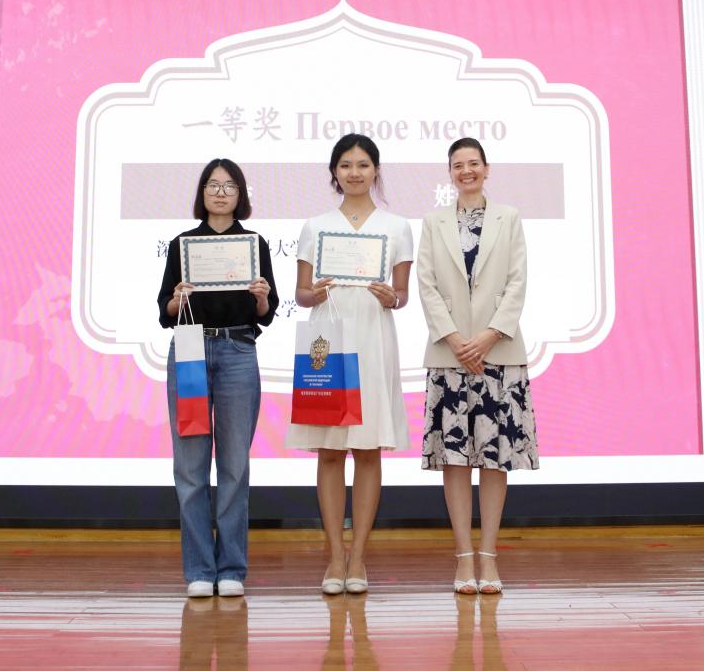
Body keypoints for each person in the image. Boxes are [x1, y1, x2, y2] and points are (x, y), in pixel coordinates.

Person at [287, 133, 414, 595]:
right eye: (345, 165)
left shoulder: (397, 226)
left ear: (376, 170)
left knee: (367, 449)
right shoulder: (316, 226)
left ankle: (358, 557)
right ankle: (334, 557)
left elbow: (401, 296)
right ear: (334, 173)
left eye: (363, 164)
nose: (354, 172)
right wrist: (315, 292)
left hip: (374, 340)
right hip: (329, 341)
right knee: (329, 450)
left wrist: (391, 296)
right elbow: (301, 294)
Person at [416, 137, 538, 594]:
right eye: (457, 165)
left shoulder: (509, 218)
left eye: (473, 163)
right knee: (454, 460)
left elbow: (517, 282)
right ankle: (463, 558)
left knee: (494, 459)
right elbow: (426, 285)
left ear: (487, 169)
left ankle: (488, 557)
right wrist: (454, 339)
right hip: (449, 355)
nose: (466, 171)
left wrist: (487, 337)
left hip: (498, 355)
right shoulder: (433, 222)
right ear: (449, 173)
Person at [157, 158, 278, 599]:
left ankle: (230, 569)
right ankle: (199, 569)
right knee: (190, 468)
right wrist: (177, 299)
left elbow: (266, 312)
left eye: (229, 186)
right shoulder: (182, 245)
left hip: (238, 351)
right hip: (191, 350)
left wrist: (261, 297)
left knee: (234, 466)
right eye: (213, 185)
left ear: (240, 194)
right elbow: (165, 312)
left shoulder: (254, 244)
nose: (220, 192)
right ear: (202, 193)